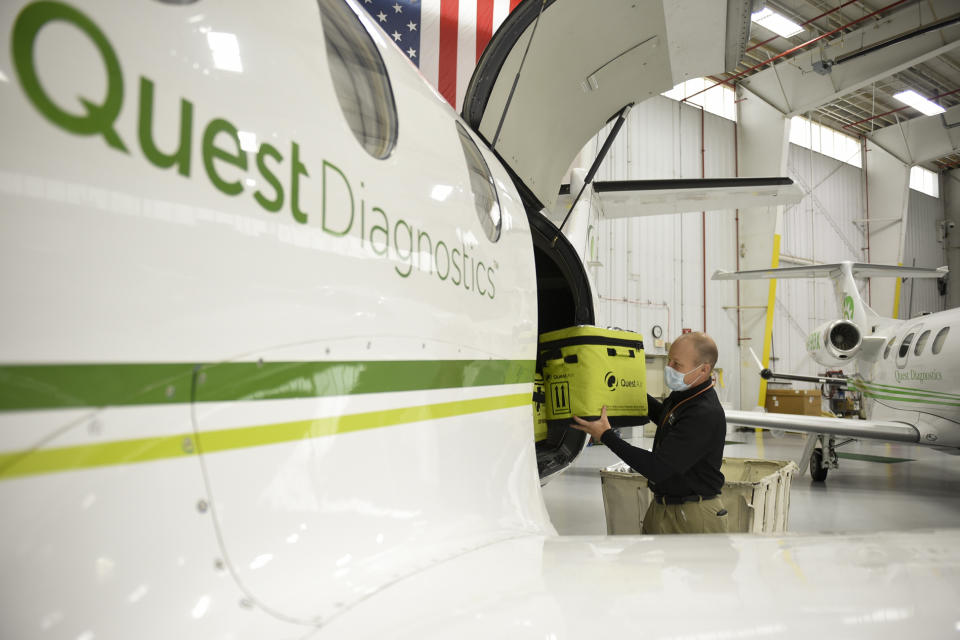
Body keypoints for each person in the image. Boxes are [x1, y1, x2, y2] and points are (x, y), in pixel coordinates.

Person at [570, 332, 728, 534]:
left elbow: (657, 468)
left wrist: (606, 436)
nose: (669, 368)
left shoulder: (703, 413)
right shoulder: (683, 396)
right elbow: (664, 416)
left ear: (704, 369)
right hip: (663, 506)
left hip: (693, 515)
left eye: (677, 364)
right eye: (669, 360)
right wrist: (624, 387)